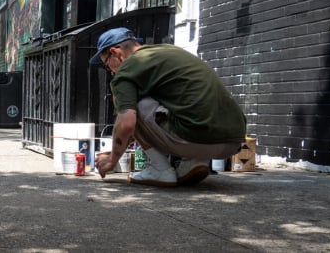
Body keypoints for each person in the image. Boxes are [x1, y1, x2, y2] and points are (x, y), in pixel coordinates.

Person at [91, 27, 246, 187]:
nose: (110, 71)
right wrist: (118, 149)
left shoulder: (126, 70)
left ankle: (161, 169)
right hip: (233, 142)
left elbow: (127, 123)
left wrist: (112, 160)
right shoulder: (168, 50)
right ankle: (191, 162)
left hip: (197, 138)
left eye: (107, 64)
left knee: (132, 106)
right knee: (177, 103)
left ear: (116, 52)